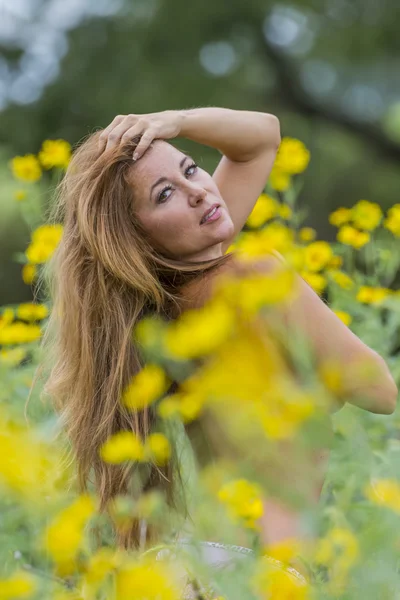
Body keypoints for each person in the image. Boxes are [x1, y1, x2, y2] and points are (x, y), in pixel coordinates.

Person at [37, 108, 397, 587]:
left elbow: (261, 141)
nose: (200, 192)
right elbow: (380, 392)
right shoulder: (254, 278)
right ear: (137, 239)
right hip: (259, 575)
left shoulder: (157, 314)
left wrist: (171, 122)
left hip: (193, 565)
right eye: (165, 195)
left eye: (190, 168)